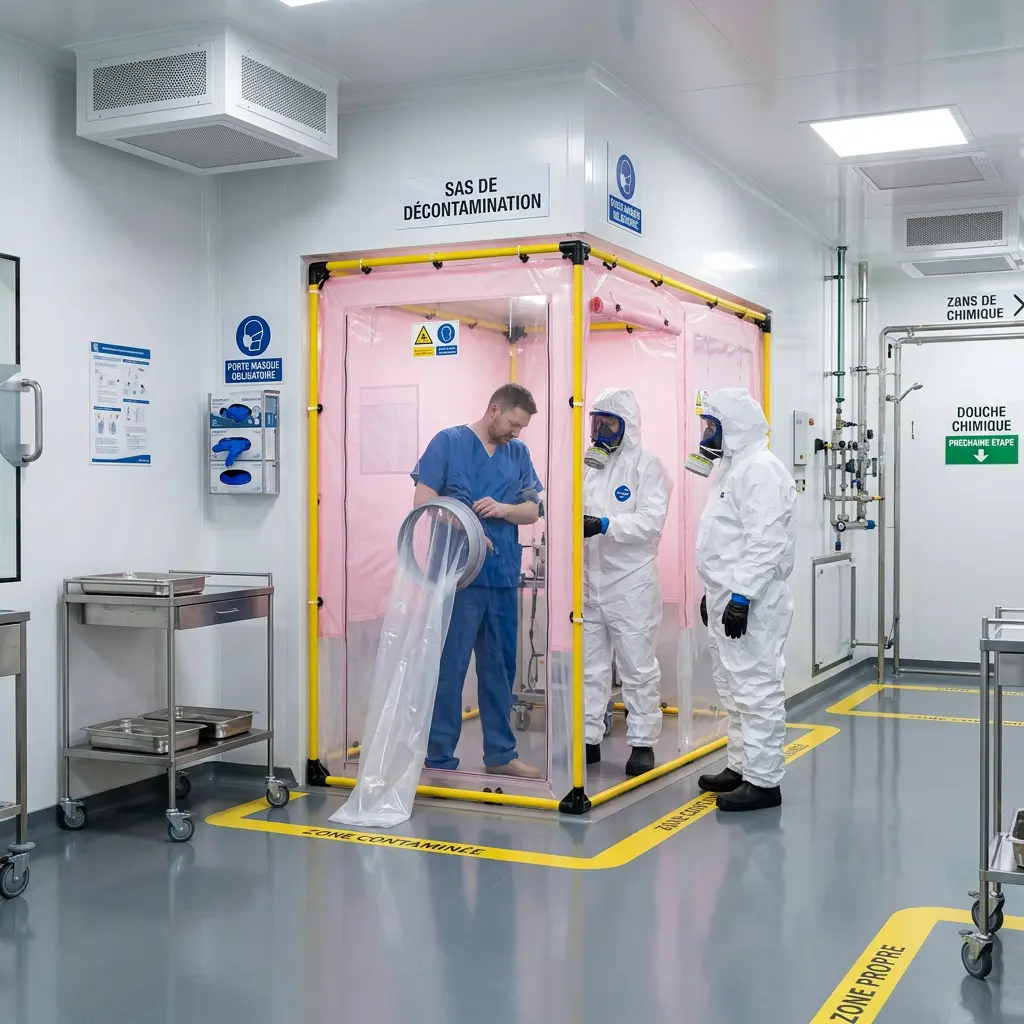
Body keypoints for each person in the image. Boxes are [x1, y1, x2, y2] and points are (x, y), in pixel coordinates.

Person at [411, 383, 543, 778]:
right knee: (449, 669)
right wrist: (468, 525)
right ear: (493, 409)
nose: (515, 434)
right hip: (458, 577)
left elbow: (532, 511)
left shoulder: (517, 453)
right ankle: (439, 759)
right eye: (513, 424)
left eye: (520, 428)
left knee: (500, 668)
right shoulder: (449, 444)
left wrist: (503, 509)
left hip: (501, 578)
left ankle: (501, 754)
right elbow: (423, 503)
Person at [689, 387, 796, 812]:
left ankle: (765, 781)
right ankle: (740, 766)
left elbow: (765, 540)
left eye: (712, 426)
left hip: (753, 601)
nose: (706, 434)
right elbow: (728, 540)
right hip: (729, 596)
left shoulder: (762, 470)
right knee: (733, 688)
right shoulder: (733, 468)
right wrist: (714, 592)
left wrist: (741, 595)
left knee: (756, 688)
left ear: (733, 428)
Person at [581, 388, 673, 776]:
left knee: (637, 667)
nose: (601, 431)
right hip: (589, 582)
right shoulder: (588, 468)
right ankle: (588, 737)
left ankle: (642, 742)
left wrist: (606, 525)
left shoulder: (648, 467)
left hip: (631, 584)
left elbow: (651, 521)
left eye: (609, 424)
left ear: (627, 427)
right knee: (590, 666)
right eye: (596, 422)